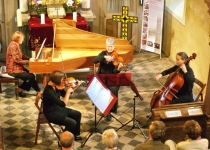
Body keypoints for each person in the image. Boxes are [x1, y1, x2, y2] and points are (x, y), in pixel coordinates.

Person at [42, 70, 82, 141]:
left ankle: (75, 135)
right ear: (57, 80)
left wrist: (76, 86)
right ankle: (64, 141)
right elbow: (63, 104)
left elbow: (66, 94)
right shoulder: (49, 91)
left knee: (78, 114)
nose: (63, 81)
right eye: (62, 79)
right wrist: (68, 91)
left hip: (57, 108)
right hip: (51, 113)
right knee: (72, 123)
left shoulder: (56, 86)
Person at [92, 37, 123, 120]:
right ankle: (104, 108)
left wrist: (119, 69)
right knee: (101, 88)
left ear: (114, 46)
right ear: (106, 46)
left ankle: (109, 110)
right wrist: (105, 58)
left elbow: (115, 71)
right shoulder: (102, 54)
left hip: (111, 77)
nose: (110, 48)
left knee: (112, 89)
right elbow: (94, 60)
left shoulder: (116, 56)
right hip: (101, 77)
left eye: (112, 46)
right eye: (108, 46)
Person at [6, 31, 42, 97]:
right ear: (17, 38)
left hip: (18, 68)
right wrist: (28, 62)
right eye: (22, 38)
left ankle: (21, 89)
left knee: (31, 76)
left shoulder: (16, 45)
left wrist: (30, 58)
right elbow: (16, 60)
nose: (23, 39)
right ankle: (38, 91)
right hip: (13, 70)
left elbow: (22, 55)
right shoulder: (13, 46)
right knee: (31, 77)